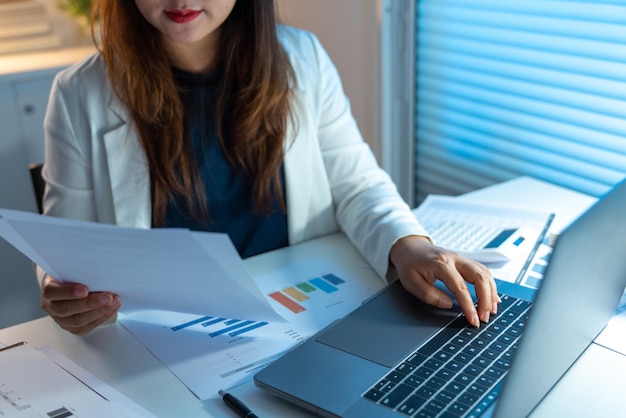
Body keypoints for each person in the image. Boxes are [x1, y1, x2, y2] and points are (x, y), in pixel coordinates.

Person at [38, 0, 499, 336]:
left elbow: (357, 183)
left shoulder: (304, 58)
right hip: (170, 331)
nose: (180, 0)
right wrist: (65, 294)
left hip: (302, 310)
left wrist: (409, 245)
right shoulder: (79, 94)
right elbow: (65, 246)